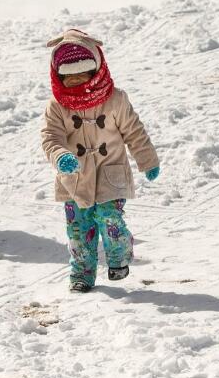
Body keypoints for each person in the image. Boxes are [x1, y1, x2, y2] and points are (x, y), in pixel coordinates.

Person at [40, 29, 160, 293]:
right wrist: (61, 157)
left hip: (110, 174)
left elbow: (134, 131)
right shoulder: (57, 106)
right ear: (58, 76)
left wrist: (147, 160)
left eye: (81, 74)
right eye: (68, 77)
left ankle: (118, 256)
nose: (75, 81)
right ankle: (82, 273)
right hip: (75, 179)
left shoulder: (115, 99)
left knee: (109, 218)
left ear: (96, 70)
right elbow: (51, 137)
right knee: (79, 230)